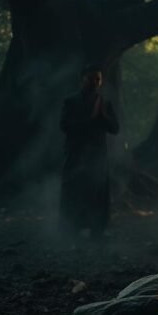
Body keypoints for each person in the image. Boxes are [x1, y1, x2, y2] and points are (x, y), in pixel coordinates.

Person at [59, 64, 119, 239]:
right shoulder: (70, 101)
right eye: (91, 78)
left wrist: (102, 116)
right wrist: (89, 120)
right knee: (74, 191)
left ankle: (98, 229)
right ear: (82, 80)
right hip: (76, 153)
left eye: (98, 79)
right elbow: (65, 126)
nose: (95, 82)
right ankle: (71, 228)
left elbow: (115, 128)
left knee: (97, 191)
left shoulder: (104, 103)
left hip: (97, 155)